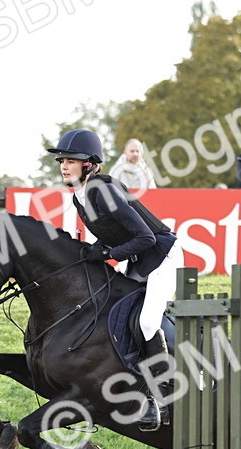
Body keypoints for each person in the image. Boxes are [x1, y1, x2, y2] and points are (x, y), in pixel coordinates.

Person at [47, 128, 180, 431]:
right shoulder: (80, 196)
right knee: (114, 312)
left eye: (71, 160)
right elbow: (115, 236)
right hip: (139, 259)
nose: (64, 166)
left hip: (162, 256)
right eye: (62, 161)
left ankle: (162, 398)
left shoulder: (102, 191)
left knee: (147, 322)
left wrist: (107, 253)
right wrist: (94, 251)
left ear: (89, 164)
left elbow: (146, 237)